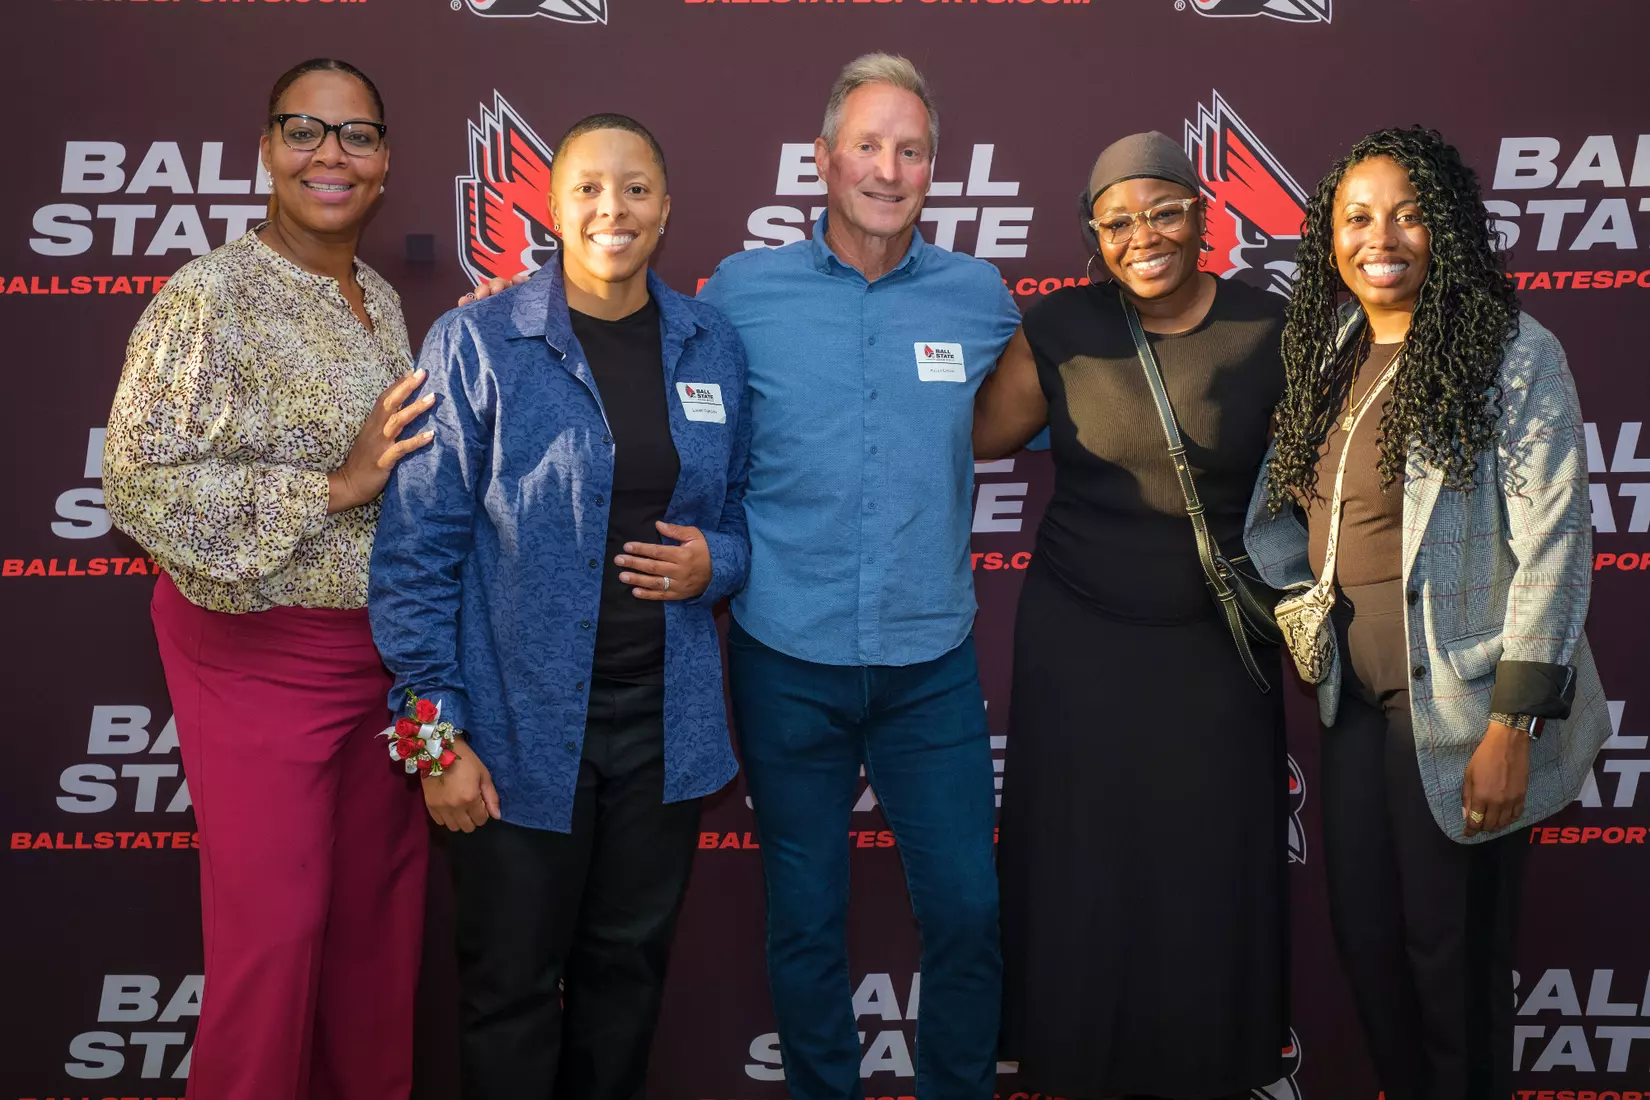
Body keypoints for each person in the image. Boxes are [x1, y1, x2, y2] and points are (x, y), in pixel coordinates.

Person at [368, 113, 750, 1100]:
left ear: (666, 208)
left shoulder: (711, 343)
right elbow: (414, 555)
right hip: (510, 734)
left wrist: (718, 561)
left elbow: (745, 514)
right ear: (550, 207)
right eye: (587, 188)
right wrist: (433, 741)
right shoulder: (478, 340)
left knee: (626, 985)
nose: (611, 208)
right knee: (509, 992)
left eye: (635, 189)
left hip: (660, 733)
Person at [1244, 127, 1610, 1100]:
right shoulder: (1333, 350)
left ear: (1445, 225)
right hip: (1355, 710)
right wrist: (1300, 604)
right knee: (1372, 949)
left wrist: (1512, 723)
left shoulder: (1514, 353)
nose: (1381, 237)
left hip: (1464, 709)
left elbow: (1556, 547)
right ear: (1329, 236)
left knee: (1454, 971)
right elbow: (1284, 510)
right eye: (1357, 217)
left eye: (1408, 213)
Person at [101, 58, 431, 1100]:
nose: (331, 155)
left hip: (379, 658)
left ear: (384, 163)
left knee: (375, 939)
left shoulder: (381, 299)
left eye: (356, 136)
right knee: (276, 939)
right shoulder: (210, 296)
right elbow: (138, 485)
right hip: (254, 650)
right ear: (266, 151)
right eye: (305, 130)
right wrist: (336, 485)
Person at [698, 53, 1021, 1100]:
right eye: (869, 146)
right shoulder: (742, 293)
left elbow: (1069, 389)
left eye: (911, 150)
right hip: (785, 654)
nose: (889, 169)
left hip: (931, 660)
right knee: (804, 917)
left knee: (968, 908)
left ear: (934, 168)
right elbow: (658, 391)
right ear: (824, 159)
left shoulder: (979, 297)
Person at [973, 132, 1289, 1098]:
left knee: (1209, 870)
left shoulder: (1271, 327)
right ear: (1094, 236)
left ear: (1203, 216)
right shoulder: (1060, 329)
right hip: (1080, 646)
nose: (1142, 236)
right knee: (1082, 872)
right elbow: (972, 435)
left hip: (1218, 653)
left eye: (1163, 213)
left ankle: (1209, 1070)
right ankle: (1075, 1066)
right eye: (1117, 222)